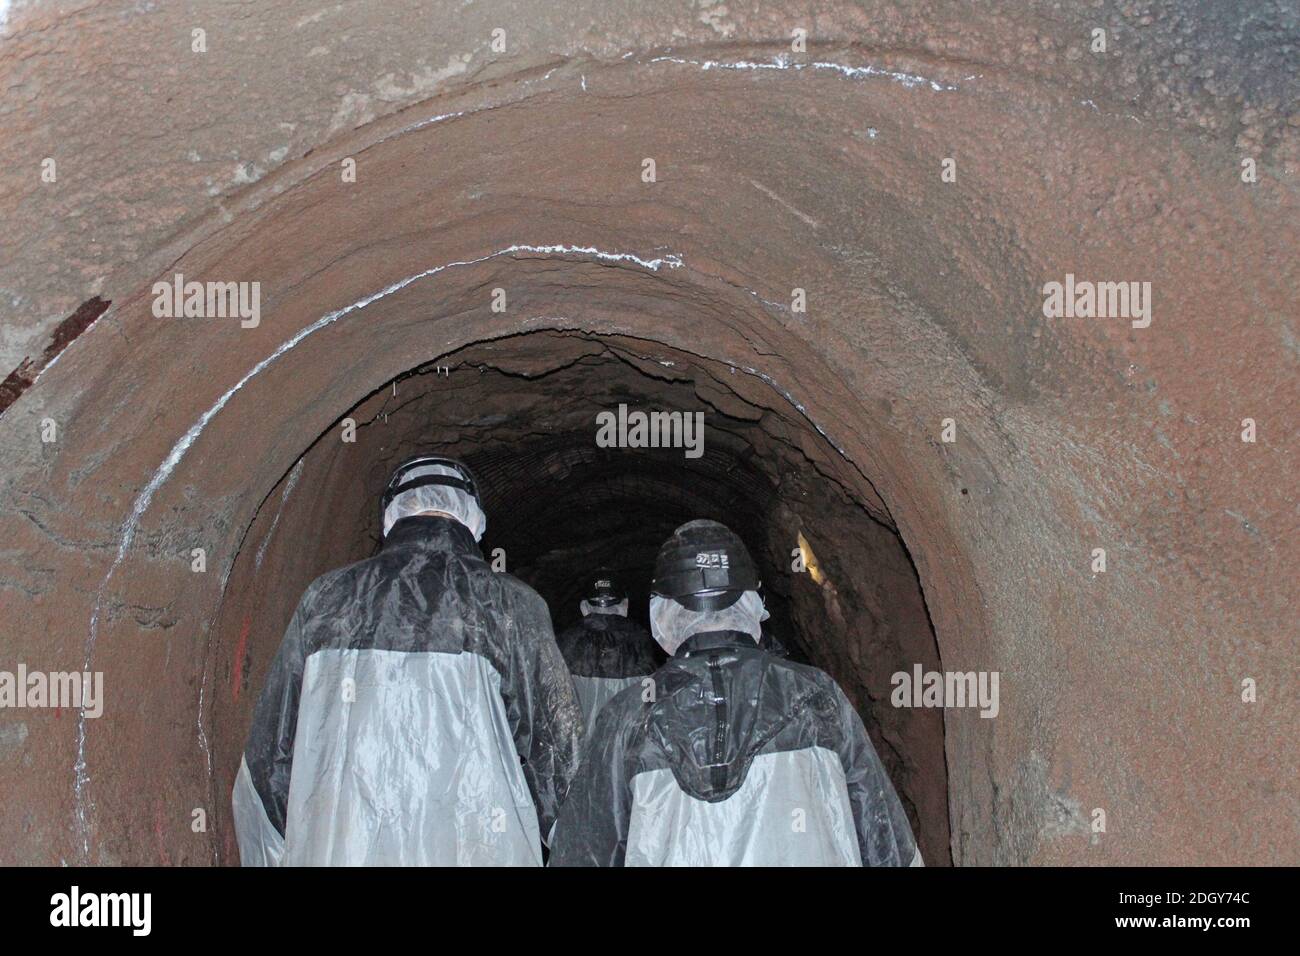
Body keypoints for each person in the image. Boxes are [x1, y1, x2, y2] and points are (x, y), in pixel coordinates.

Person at [231, 455, 584, 866]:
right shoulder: (513, 606)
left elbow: (268, 766)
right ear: (473, 520)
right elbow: (564, 770)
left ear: (390, 518)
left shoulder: (325, 600)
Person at [550, 519, 922, 867]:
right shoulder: (816, 697)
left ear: (661, 611)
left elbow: (582, 853)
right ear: (752, 601)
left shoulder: (629, 716)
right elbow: (885, 840)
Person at [553, 569, 662, 739]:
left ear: (584, 607)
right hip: (626, 756)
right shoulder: (644, 642)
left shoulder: (562, 644)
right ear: (625, 606)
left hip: (579, 757)